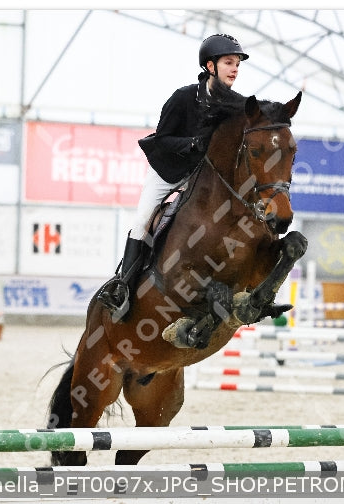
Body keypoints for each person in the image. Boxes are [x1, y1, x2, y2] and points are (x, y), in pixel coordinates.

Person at [97, 34, 249, 321]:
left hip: (200, 175)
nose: (235, 69)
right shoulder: (183, 97)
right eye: (229, 63)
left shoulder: (236, 105)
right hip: (167, 172)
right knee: (142, 221)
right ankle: (123, 289)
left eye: (237, 65)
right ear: (210, 66)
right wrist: (192, 143)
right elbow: (163, 139)